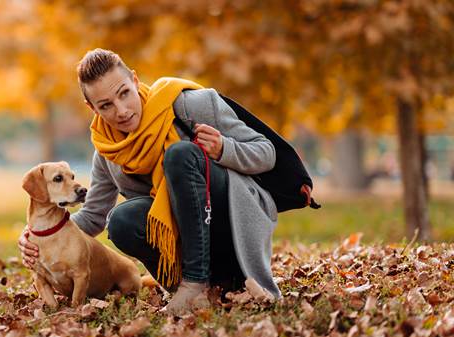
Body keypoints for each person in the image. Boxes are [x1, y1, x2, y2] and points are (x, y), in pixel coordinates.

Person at [18, 48, 280, 315]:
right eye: (106, 105)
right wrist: (36, 235)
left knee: (180, 155)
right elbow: (93, 217)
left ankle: (196, 284)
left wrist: (224, 148)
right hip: (184, 244)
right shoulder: (109, 151)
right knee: (120, 220)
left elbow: (267, 153)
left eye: (124, 93)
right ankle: (192, 285)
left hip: (229, 224)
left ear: (134, 79)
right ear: (92, 108)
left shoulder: (191, 105)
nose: (121, 111)